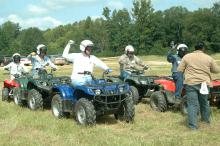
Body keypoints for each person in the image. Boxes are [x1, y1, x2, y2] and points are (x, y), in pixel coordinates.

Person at [177, 41, 220, 130]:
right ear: (203, 48)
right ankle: (205, 122)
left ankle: (193, 127)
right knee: (204, 103)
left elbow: (179, 69)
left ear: (195, 48)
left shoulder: (187, 57)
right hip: (204, 84)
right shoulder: (208, 58)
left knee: (192, 105)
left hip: (191, 83)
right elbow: (216, 70)